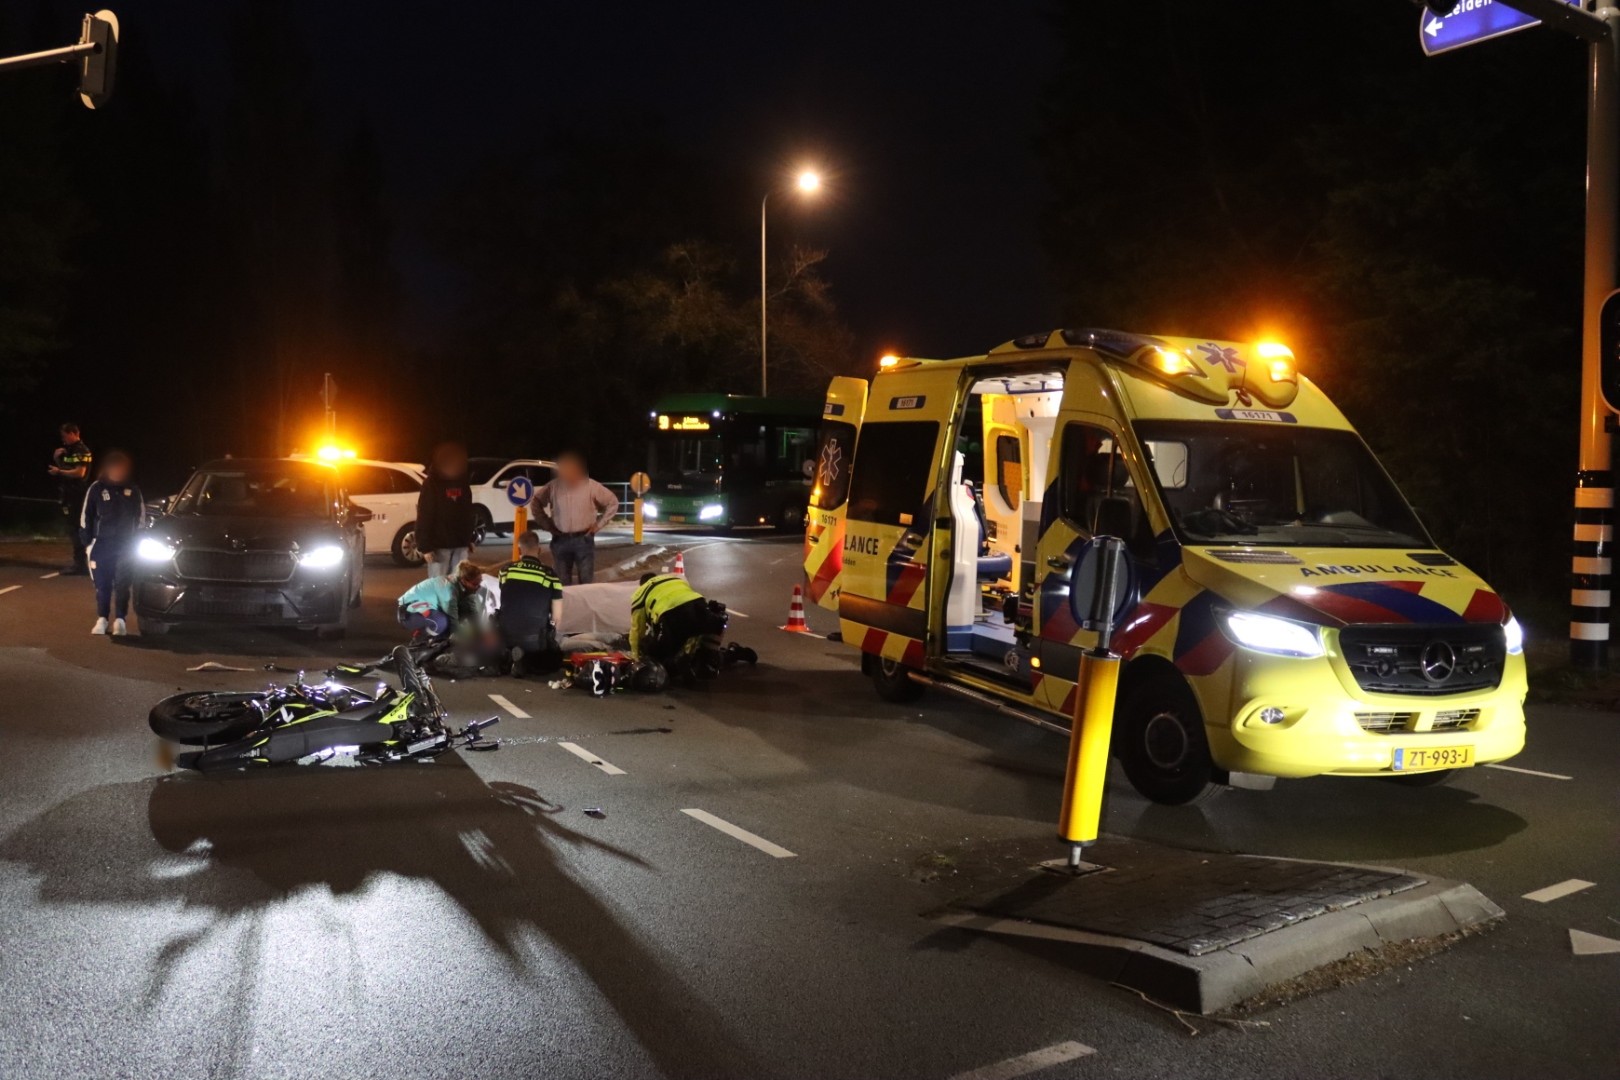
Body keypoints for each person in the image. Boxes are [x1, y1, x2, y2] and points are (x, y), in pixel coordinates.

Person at [79, 450, 145, 636]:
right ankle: (102, 618)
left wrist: (137, 539)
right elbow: (87, 515)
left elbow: (141, 517)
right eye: (115, 468)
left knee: (123, 583)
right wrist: (87, 540)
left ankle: (120, 620)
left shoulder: (133, 490)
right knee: (102, 583)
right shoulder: (97, 489)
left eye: (122, 469)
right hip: (101, 544)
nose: (119, 472)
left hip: (126, 545)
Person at [529, 451, 618, 585]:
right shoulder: (554, 487)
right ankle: (567, 606)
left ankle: (584, 606)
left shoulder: (591, 486)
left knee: (586, 582)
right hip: (560, 540)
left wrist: (598, 525)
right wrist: (547, 524)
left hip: (584, 539)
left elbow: (612, 502)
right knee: (562, 583)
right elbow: (535, 502)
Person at [497, 530, 565, 675]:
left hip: (505, 635)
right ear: (539, 550)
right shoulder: (550, 576)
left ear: (519, 550)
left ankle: (514, 657)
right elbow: (557, 617)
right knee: (553, 659)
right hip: (535, 639)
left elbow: (505, 598)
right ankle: (525, 659)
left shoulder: (505, 571)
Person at [630, 571, 728, 667]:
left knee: (657, 652)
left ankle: (678, 664)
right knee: (715, 623)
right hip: (699, 604)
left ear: (642, 584)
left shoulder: (640, 592)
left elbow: (637, 630)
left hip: (671, 614)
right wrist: (688, 651)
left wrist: (635, 657)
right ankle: (709, 656)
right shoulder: (674, 579)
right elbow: (689, 611)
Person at [416, 442, 478, 580]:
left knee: (459, 585)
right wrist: (425, 547)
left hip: (460, 545)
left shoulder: (462, 482)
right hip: (439, 546)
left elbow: (467, 511)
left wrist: (470, 538)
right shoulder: (432, 483)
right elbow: (425, 514)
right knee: (439, 586)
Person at [397, 560, 491, 641]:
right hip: (409, 612)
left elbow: (472, 611)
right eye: (475, 584)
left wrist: (479, 633)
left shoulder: (465, 587)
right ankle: (421, 639)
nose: (478, 586)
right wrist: (457, 637)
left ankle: (440, 638)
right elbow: (452, 617)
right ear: (464, 581)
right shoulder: (448, 589)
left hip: (430, 608)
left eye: (480, 582)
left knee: (465, 610)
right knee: (441, 622)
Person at [48, 423, 93, 575]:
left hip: (78, 495)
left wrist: (59, 471)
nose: (63, 439)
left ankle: (81, 565)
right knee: (73, 529)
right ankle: (80, 563)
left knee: (77, 529)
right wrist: (57, 460)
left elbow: (79, 473)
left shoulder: (82, 450)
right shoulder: (70, 450)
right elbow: (66, 470)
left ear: (73, 433)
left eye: (64, 435)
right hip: (69, 494)